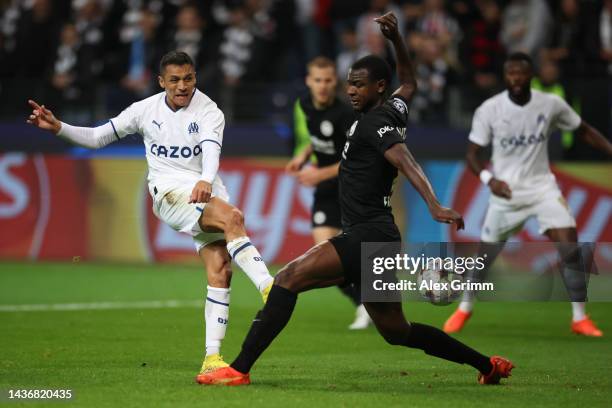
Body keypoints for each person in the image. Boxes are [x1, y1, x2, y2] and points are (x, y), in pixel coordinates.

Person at [197, 13, 514, 386]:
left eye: (359, 85)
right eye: (350, 84)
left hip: (368, 235)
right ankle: (487, 366)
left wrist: (433, 203)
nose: (351, 91)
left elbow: (404, 158)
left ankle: (238, 369)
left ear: (379, 87)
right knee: (397, 331)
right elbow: (410, 81)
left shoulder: (375, 122)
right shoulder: (392, 108)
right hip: (378, 238)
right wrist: (397, 39)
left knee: (286, 279)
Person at [26, 51, 275, 376]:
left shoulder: (210, 111)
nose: (182, 86)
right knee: (234, 219)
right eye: (174, 80)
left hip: (204, 188)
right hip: (170, 192)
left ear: (195, 78)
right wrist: (59, 127)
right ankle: (271, 287)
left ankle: (211, 358)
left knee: (220, 268)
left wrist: (204, 179)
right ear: (162, 82)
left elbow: (212, 150)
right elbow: (99, 136)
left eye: (188, 78)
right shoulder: (144, 111)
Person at [443, 52, 612, 337]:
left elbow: (582, 130)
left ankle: (579, 317)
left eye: (521, 73)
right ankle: (464, 309)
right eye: (511, 73)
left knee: (570, 247)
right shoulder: (490, 109)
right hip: (505, 194)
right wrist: (489, 179)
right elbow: (472, 154)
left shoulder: (550, 104)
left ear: (530, 75)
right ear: (506, 76)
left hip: (542, 189)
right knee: (485, 258)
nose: (517, 79)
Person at [286, 56, 371, 330]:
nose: (323, 86)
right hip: (325, 190)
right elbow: (315, 138)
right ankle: (363, 303)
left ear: (336, 83)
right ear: (309, 82)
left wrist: (318, 173)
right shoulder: (305, 105)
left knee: (342, 257)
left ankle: (370, 301)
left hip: (350, 190)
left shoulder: (346, 114)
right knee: (325, 259)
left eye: (328, 80)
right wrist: (303, 155)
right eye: (318, 80)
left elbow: (355, 159)